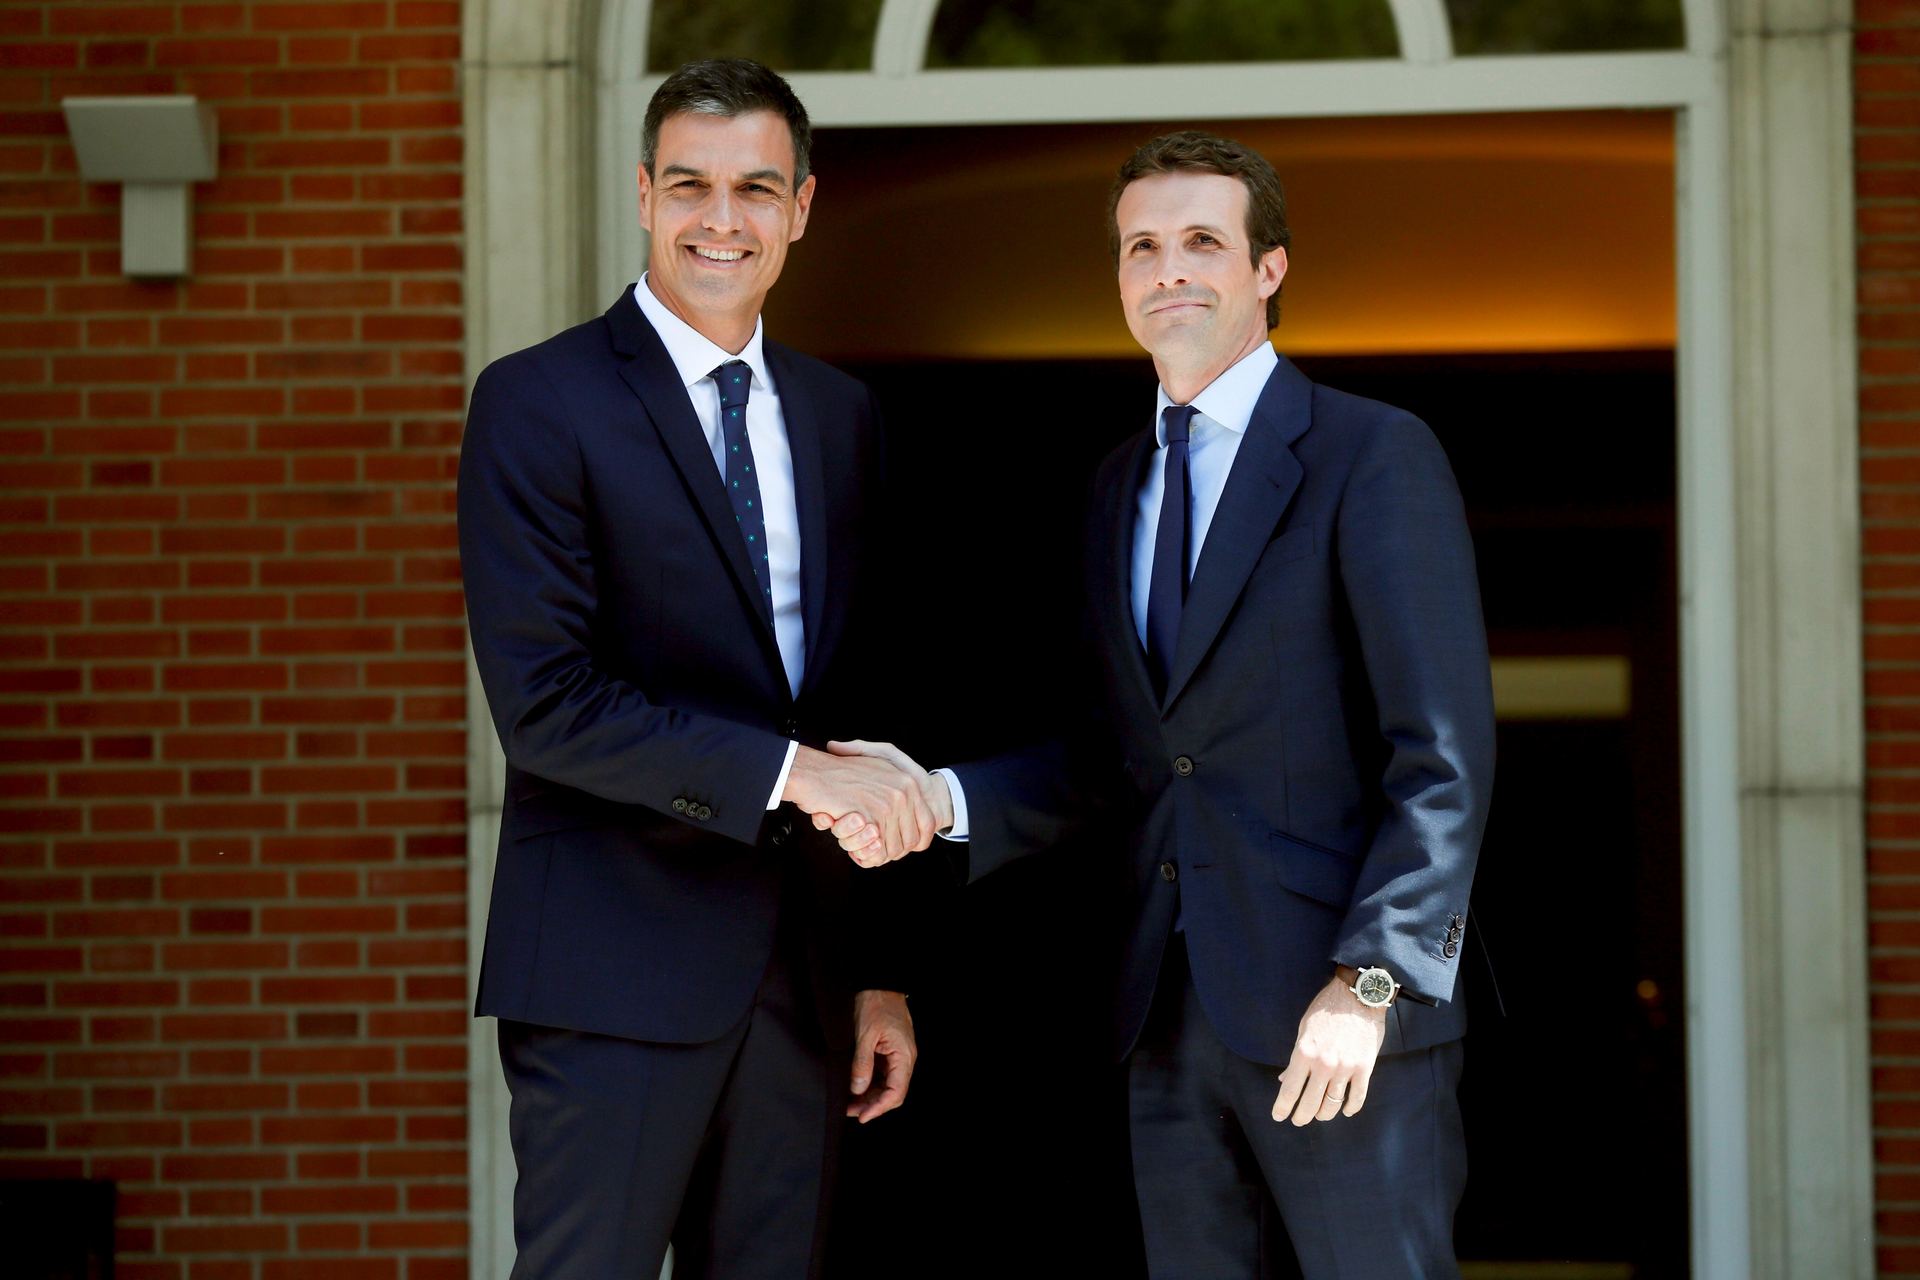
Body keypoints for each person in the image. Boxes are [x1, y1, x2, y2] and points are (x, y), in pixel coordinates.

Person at [827, 131, 1496, 1278]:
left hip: (1339, 1017)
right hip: (1159, 1015)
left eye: (1201, 240)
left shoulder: (1372, 454)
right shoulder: (1115, 487)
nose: (1168, 267)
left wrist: (1370, 980)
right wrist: (939, 799)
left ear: (1269, 268)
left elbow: (1439, 754)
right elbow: (1122, 759)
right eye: (1142, 245)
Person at [458, 58, 935, 1280]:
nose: (722, 220)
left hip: (804, 980)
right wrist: (789, 775)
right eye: (691, 186)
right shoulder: (537, 400)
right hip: (611, 971)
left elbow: (860, 706)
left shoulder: (841, 417)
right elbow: (546, 702)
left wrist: (878, 969)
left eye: (756, 189)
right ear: (642, 194)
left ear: (803, 207)